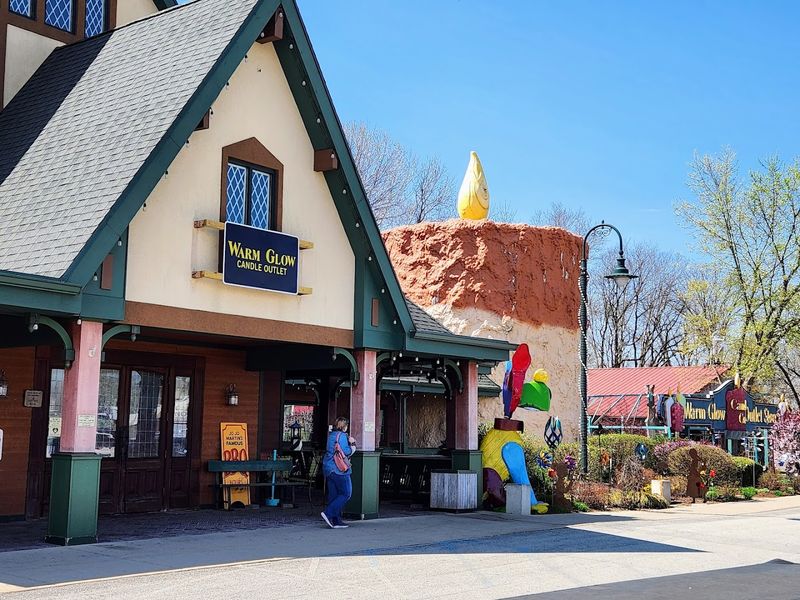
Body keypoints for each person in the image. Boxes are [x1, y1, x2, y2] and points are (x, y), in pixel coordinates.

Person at [321, 417, 356, 529]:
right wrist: (353, 444)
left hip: (328, 468)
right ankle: (328, 513)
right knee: (346, 493)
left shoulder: (331, 436)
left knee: (334, 494)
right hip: (339, 469)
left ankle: (336, 521)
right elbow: (347, 451)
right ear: (344, 426)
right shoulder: (342, 436)